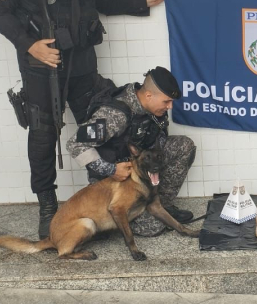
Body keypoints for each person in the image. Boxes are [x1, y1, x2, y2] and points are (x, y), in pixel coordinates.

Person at [0, 0, 170, 239]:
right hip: (42, 68)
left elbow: (103, 0)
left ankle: (109, 204)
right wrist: (30, 45)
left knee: (101, 131)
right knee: (43, 137)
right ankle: (47, 208)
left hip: (83, 67)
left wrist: (142, 2)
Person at [66, 66, 195, 237]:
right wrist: (111, 169)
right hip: (115, 183)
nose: (170, 106)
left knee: (184, 146)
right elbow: (75, 144)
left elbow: (158, 141)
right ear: (149, 95)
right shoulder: (115, 114)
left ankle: (161, 205)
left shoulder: (154, 110)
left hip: (139, 171)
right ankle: (117, 217)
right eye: (166, 101)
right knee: (152, 228)